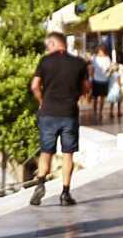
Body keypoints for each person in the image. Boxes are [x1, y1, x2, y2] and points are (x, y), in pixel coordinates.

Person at [30, 32, 90, 206]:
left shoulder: (45, 61)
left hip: (48, 112)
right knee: (67, 154)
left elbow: (34, 85)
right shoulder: (79, 63)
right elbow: (86, 86)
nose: (47, 49)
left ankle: (40, 184)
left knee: (46, 151)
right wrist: (76, 95)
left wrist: (41, 101)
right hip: (69, 113)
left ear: (53, 44)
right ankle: (65, 193)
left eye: (48, 45)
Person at [89, 44, 114, 122]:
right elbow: (92, 69)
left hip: (104, 80)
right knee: (95, 97)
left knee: (102, 97)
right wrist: (91, 78)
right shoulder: (94, 58)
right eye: (100, 50)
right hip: (96, 79)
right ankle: (95, 112)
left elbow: (109, 69)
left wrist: (109, 73)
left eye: (102, 50)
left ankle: (100, 112)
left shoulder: (107, 58)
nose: (101, 52)